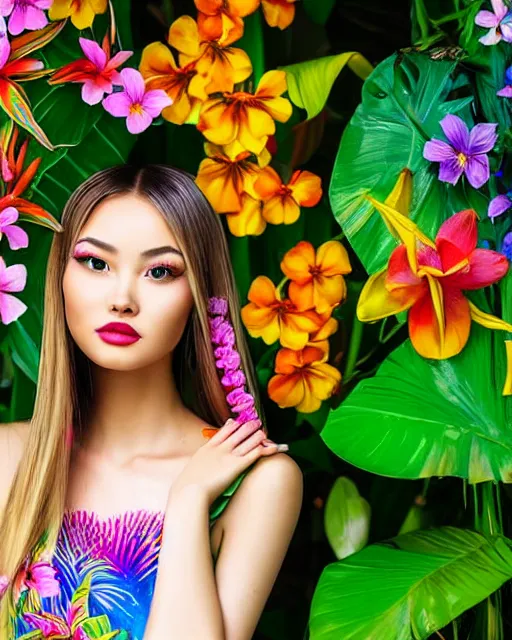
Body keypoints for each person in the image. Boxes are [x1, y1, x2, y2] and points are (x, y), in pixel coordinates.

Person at [0, 165, 303, 639]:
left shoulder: (255, 484)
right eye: (96, 263)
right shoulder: (10, 459)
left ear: (199, 293)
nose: (122, 299)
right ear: (60, 276)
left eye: (160, 271)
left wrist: (187, 502)